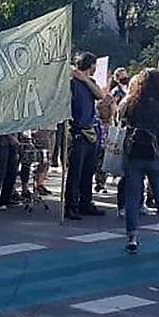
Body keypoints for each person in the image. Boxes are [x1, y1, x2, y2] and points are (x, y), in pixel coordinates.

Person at [118, 68, 159, 255]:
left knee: (133, 197)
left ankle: (132, 238)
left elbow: (120, 119)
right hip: (157, 153)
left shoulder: (131, 102)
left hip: (134, 153)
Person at [64, 52, 105, 220]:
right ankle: (70, 205)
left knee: (89, 171)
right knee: (75, 172)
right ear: (91, 65)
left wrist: (85, 79)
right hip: (77, 131)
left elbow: (100, 95)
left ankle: (85, 202)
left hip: (91, 130)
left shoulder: (90, 83)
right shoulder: (71, 84)